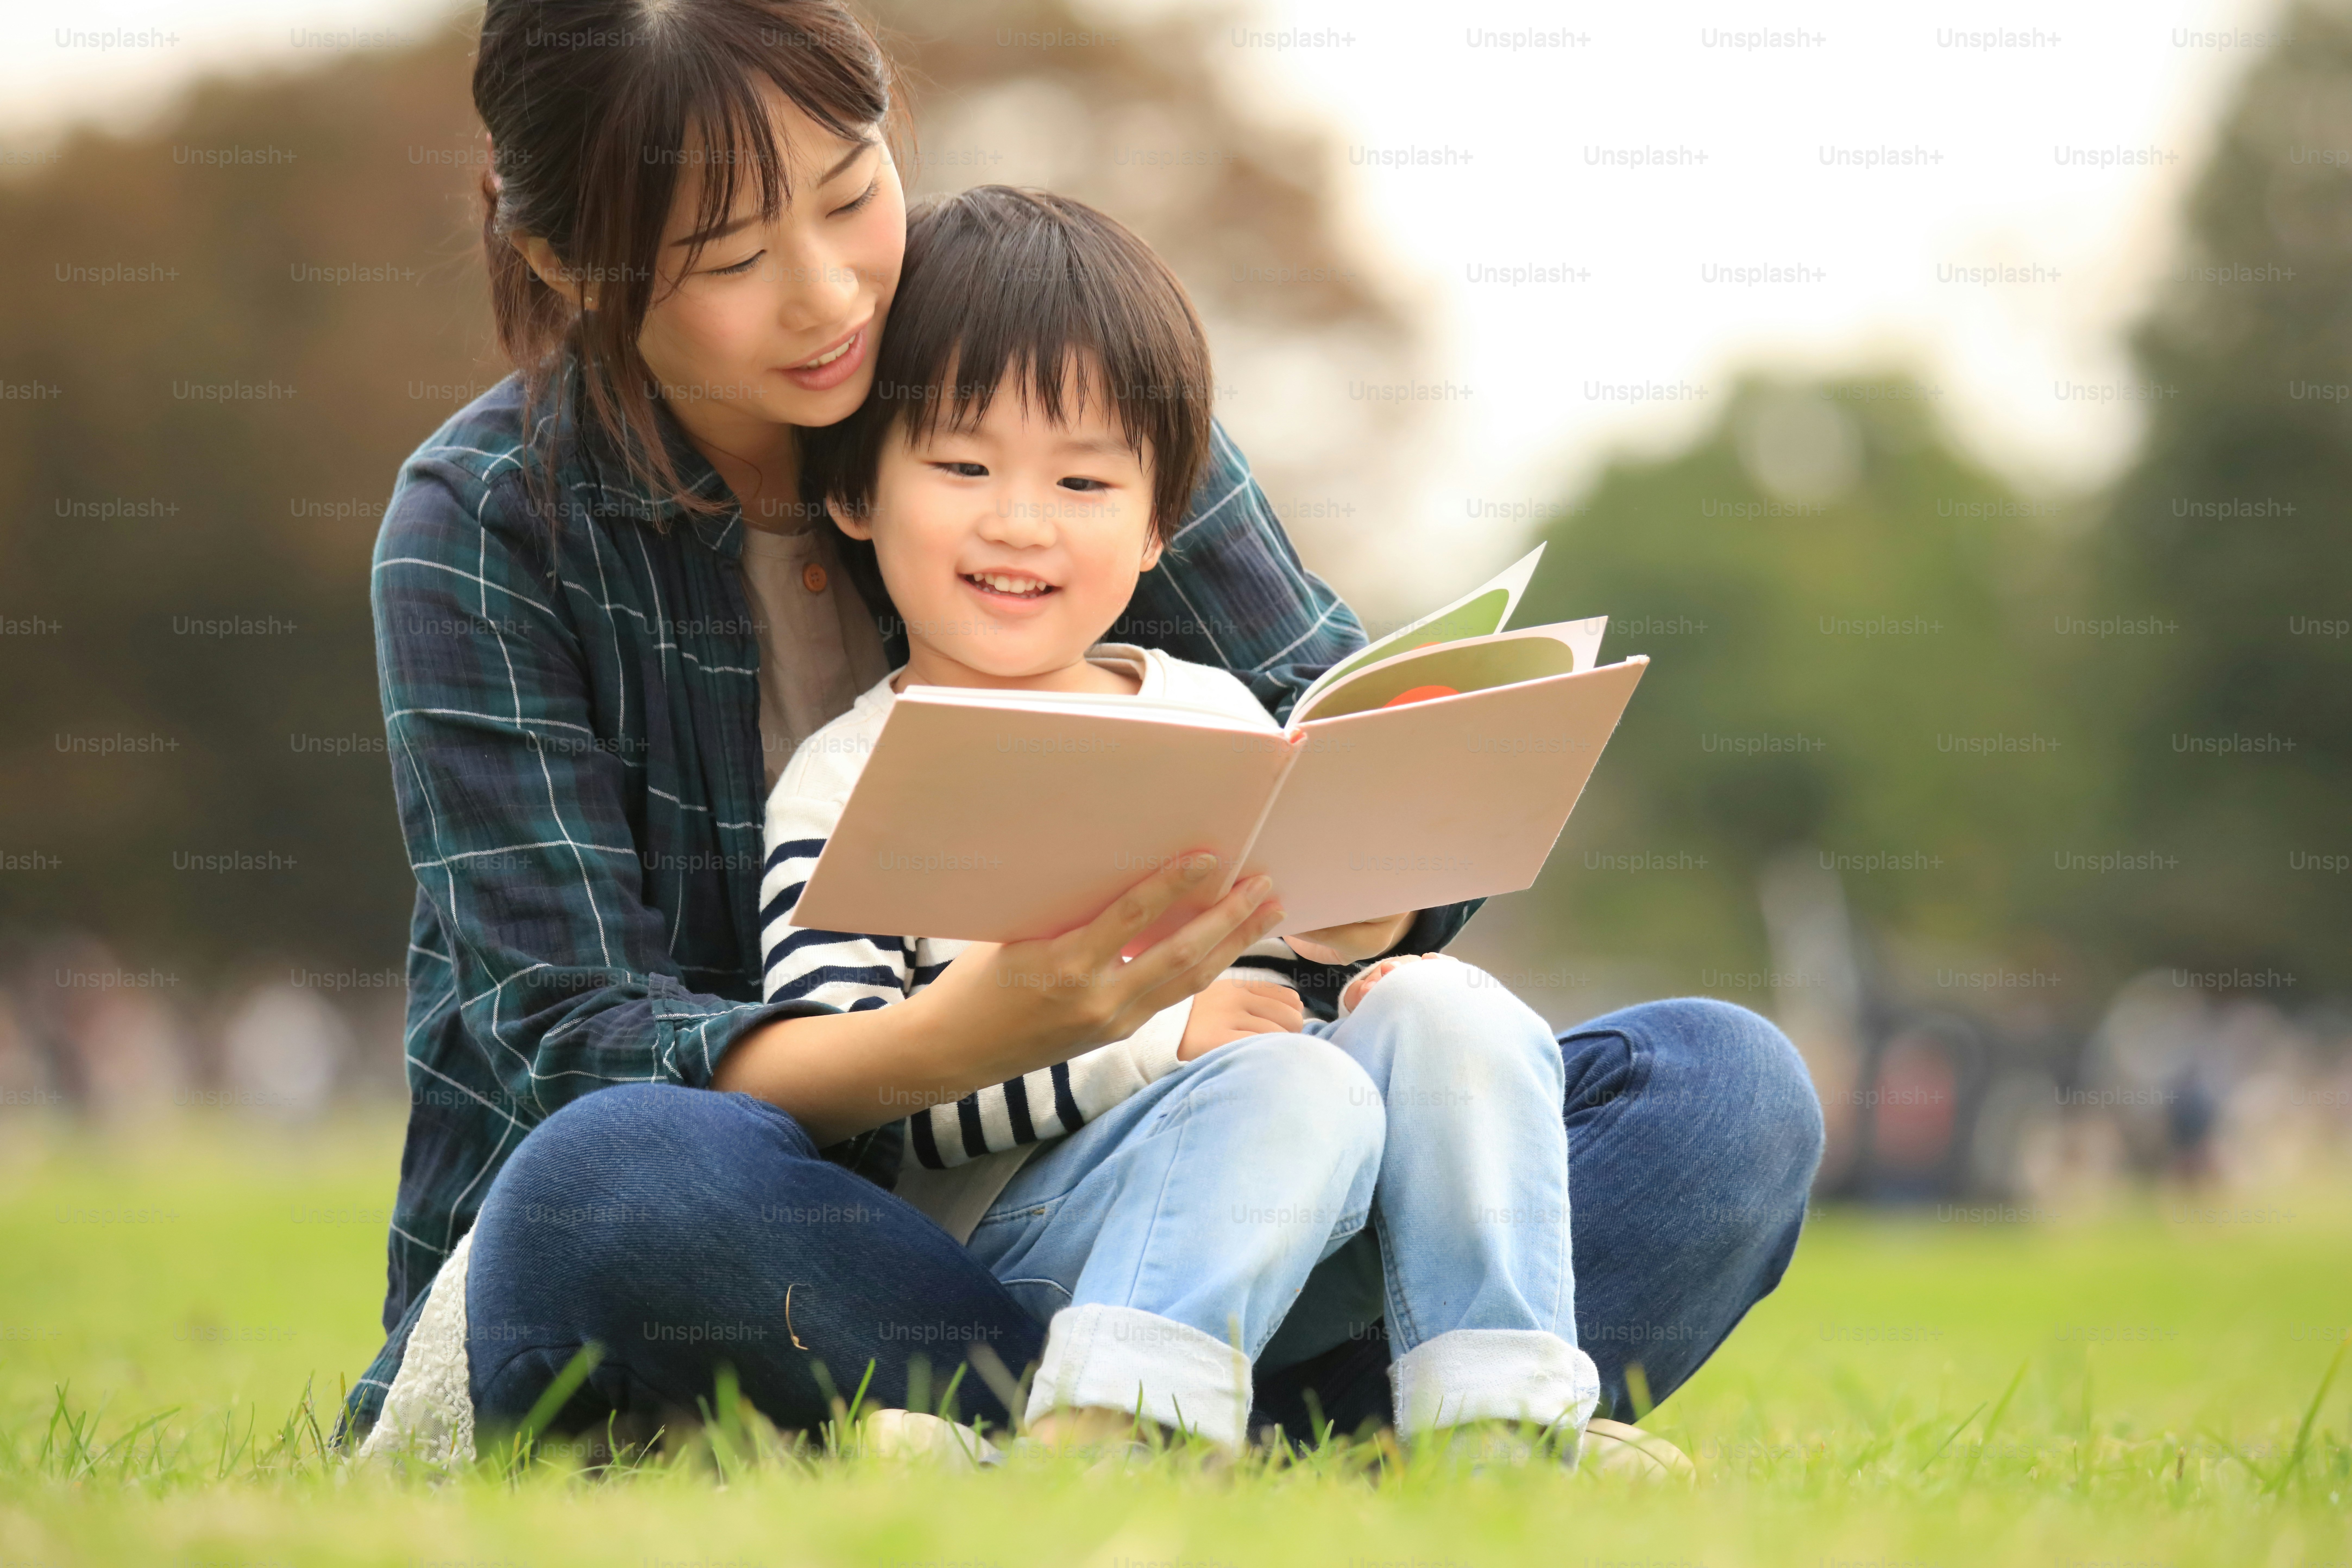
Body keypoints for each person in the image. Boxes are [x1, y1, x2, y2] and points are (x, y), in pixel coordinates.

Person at [342, 0, 1824, 1463]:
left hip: (1197, 1180)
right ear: (564, 260)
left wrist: (1373, 880)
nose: (830, 295)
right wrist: (968, 1038)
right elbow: (583, 1053)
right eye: (732, 259)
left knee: (1721, 1100)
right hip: (805, 1238)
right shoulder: (483, 528)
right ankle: (1272, 1442)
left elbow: (1347, 759)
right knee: (623, 1176)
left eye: (854, 194)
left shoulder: (1050, 374)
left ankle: (1171, 1423)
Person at [743, 184, 1601, 1460]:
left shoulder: (1212, 713)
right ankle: (1115, 1426)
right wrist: (1160, 1039)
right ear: (857, 492)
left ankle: (1502, 1434)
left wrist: (1353, 927)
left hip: (1286, 1224)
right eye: (963, 465)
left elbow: (1286, 997)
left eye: (1084, 479)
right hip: (1024, 1249)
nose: (1020, 521)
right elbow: (870, 1097)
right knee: (1282, 1085)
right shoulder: (845, 776)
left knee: (1446, 1010)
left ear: (1156, 529)